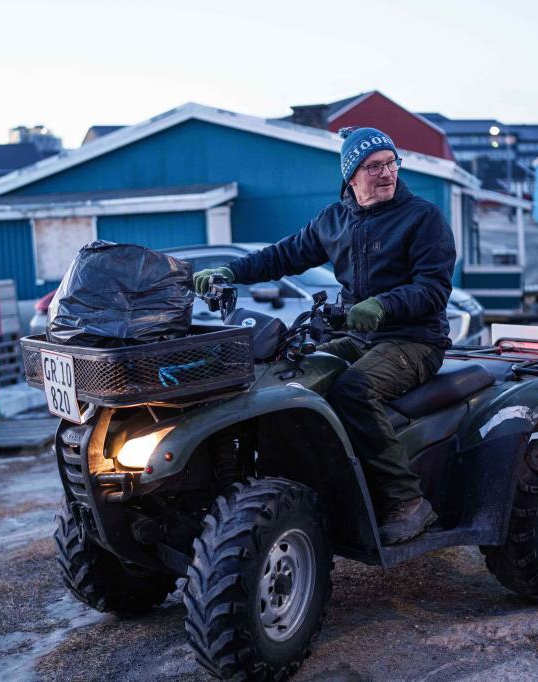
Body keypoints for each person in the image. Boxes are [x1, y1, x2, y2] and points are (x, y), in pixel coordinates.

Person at [193, 127, 457, 545]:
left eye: (391, 163)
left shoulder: (422, 218)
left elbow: (433, 288)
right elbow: (283, 254)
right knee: (288, 376)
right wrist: (232, 272)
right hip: (358, 338)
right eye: (374, 167)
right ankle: (300, 485)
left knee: (353, 390)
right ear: (351, 175)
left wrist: (384, 305)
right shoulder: (336, 220)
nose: (386, 173)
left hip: (414, 340)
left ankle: (407, 500)